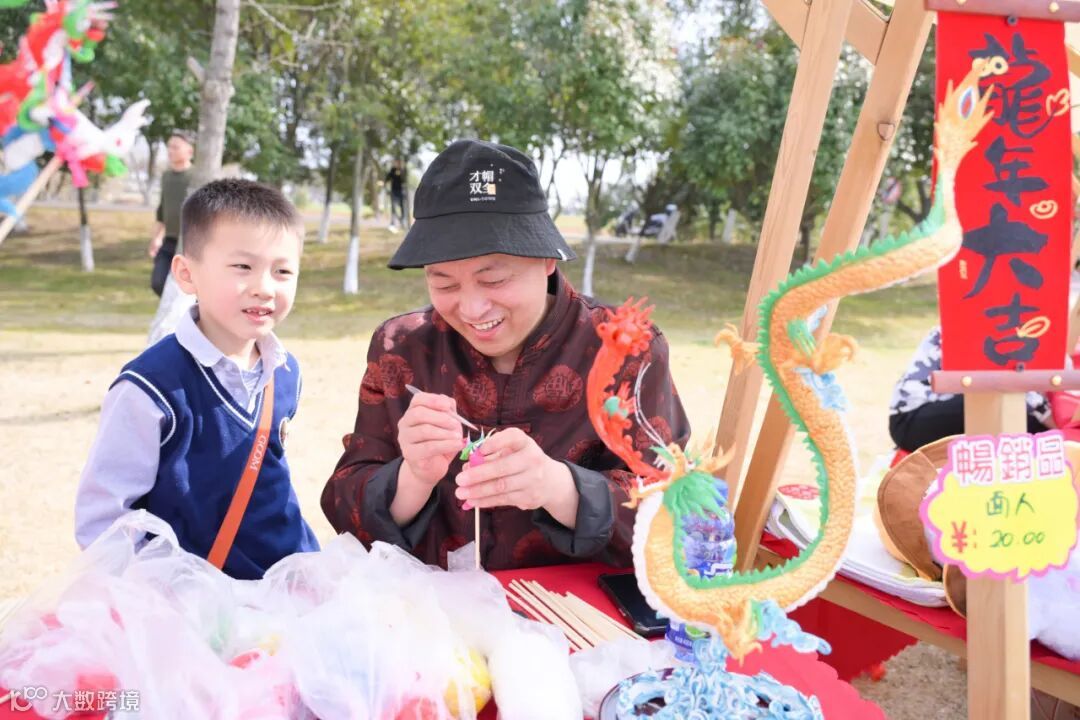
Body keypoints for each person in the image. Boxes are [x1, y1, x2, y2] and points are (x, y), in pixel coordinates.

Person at [322, 139, 690, 571]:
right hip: (433, 604)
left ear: (547, 260)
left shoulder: (625, 348)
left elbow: (678, 513)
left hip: (578, 605)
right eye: (444, 283)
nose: (472, 309)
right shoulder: (401, 349)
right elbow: (343, 506)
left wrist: (559, 488)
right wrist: (412, 478)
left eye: (493, 280)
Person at [76, 179, 319, 579]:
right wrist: (170, 592)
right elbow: (103, 521)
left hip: (288, 586)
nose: (264, 288)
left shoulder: (286, 371)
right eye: (243, 267)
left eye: (283, 271)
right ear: (186, 274)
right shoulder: (150, 388)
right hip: (194, 598)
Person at [888, 326, 1051, 453]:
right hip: (912, 420)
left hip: (936, 413)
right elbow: (1006, 383)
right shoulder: (970, 328)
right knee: (1019, 419)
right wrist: (1051, 422)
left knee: (1023, 421)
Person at [148, 130, 194, 297]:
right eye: (169, 147)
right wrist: (156, 238)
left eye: (176, 147)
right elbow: (162, 210)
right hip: (169, 240)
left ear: (189, 151)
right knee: (158, 282)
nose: (170, 150)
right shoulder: (166, 176)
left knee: (184, 288)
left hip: (190, 243)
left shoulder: (196, 177)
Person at [385, 158, 406, 232]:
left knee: (402, 208)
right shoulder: (392, 170)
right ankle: (393, 223)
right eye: (396, 162)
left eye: (398, 162)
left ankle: (403, 221)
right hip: (394, 192)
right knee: (394, 208)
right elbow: (387, 178)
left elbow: (404, 180)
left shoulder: (403, 170)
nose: (397, 164)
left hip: (401, 192)